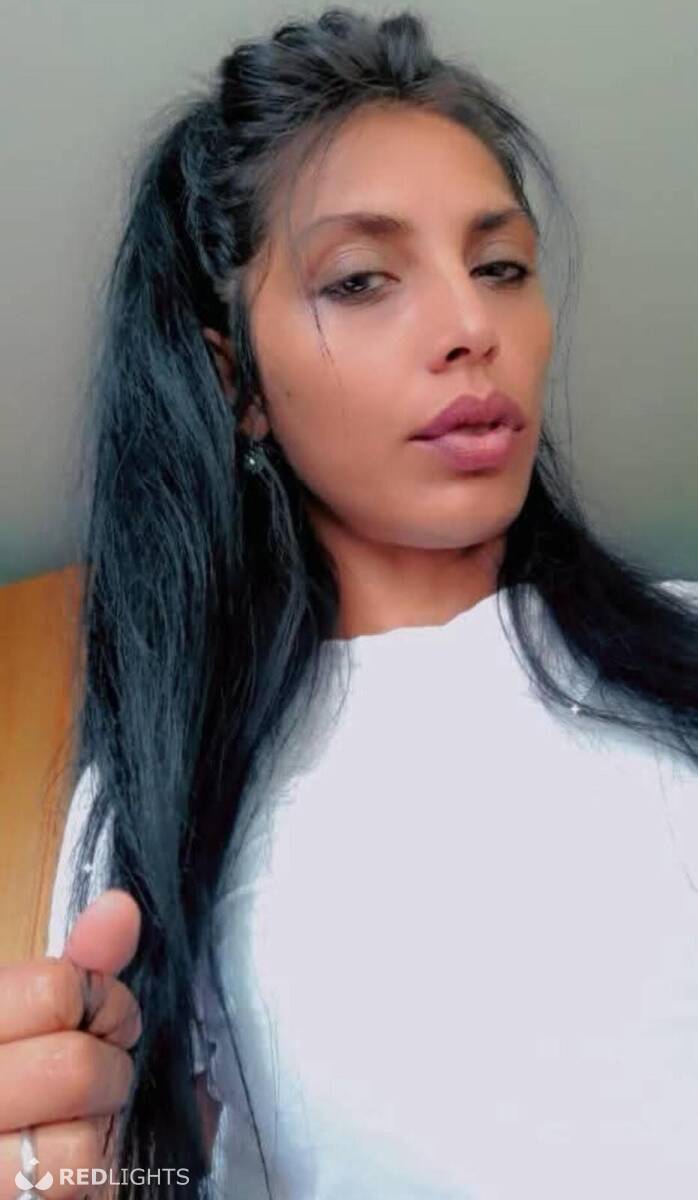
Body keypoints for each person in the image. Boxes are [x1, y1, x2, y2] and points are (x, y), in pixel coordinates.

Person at [1, 5, 697, 1198]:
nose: (469, 327)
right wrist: (79, 1176)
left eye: (499, 267)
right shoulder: (160, 810)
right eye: (362, 279)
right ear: (237, 381)